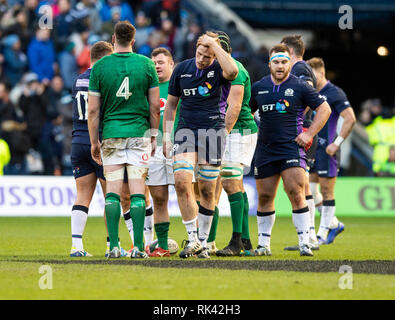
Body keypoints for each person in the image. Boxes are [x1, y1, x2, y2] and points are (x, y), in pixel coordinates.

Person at [250, 44, 331, 257]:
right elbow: (246, 112)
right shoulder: (259, 87)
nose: (280, 65)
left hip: (291, 148)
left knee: (296, 192)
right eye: (276, 62)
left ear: (289, 63)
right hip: (265, 149)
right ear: (269, 64)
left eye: (284, 61)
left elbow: (324, 109)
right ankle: (263, 245)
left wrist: (309, 133)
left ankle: (305, 242)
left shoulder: (300, 86)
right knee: (265, 196)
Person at [163, 31, 238, 259]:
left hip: (212, 132)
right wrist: (167, 136)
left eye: (207, 56)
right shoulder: (182, 69)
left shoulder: (221, 69)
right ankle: (193, 238)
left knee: (207, 189)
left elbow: (233, 71)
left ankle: (204, 242)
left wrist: (215, 46)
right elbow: (171, 106)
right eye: (199, 54)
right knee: (181, 181)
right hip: (185, 131)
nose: (201, 59)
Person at [88, 21, 160, 259]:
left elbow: (93, 111)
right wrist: (153, 134)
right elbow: (154, 108)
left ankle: (114, 247)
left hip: (111, 135)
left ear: (113, 39)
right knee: (139, 192)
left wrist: (94, 141)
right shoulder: (147, 65)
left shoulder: (100, 68)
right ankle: (139, 247)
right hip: (139, 134)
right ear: (134, 39)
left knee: (113, 193)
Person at [205, 31, 258, 257]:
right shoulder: (214, 70)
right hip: (222, 130)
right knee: (218, 185)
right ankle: (216, 241)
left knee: (228, 183)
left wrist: (223, 133)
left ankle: (237, 242)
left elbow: (234, 107)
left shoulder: (236, 70)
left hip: (238, 130)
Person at [70, 41, 114, 257]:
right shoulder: (104, 79)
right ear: (106, 58)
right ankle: (111, 246)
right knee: (111, 196)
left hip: (78, 141)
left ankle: (76, 247)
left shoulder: (78, 79)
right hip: (100, 142)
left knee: (82, 195)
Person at [307, 57, 356, 245]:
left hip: (328, 150)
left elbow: (350, 118)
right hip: (312, 149)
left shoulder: (334, 92)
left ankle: (322, 234)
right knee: (310, 190)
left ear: (320, 73)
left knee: (327, 191)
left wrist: (337, 143)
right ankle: (333, 223)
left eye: (312, 75)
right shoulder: (310, 92)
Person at [281, 34, 320, 250]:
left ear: (290, 52)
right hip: (303, 130)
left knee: (299, 185)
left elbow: (307, 98)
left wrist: (292, 117)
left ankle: (309, 236)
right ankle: (310, 236)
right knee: (302, 185)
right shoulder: (302, 69)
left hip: (301, 130)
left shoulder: (300, 70)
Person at [145, 47, 176, 257]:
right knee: (158, 198)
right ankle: (163, 245)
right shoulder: (148, 89)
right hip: (155, 148)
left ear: (171, 64)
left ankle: (200, 241)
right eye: (154, 63)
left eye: (161, 62)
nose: (157, 66)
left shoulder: (179, 86)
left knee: (191, 193)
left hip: (181, 147)